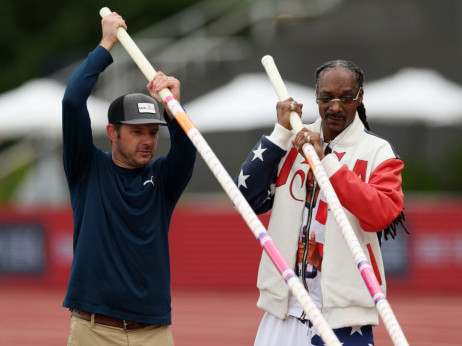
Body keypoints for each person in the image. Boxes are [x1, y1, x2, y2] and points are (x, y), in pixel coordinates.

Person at [235, 60, 406, 345]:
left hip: (343, 318)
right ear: (316, 97)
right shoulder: (292, 139)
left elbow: (382, 214)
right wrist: (279, 132)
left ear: (360, 97)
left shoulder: (376, 150)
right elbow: (244, 198)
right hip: (285, 309)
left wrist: (327, 162)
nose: (335, 107)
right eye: (326, 98)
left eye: (346, 98)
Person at [61, 12, 196, 346]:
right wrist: (106, 44)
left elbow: (188, 147)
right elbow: (72, 101)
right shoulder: (86, 169)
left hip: (153, 333)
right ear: (112, 133)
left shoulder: (163, 179)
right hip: (93, 330)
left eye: (153, 132)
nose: (148, 140)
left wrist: (174, 106)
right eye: (136, 132)